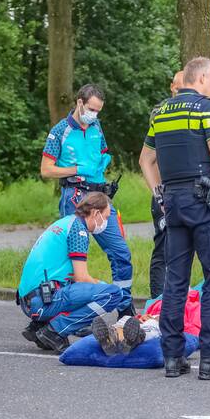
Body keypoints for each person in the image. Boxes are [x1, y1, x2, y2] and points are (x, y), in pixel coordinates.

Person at [138, 57, 210, 380]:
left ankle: (173, 356)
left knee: (175, 279)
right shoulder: (205, 109)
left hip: (173, 203)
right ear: (200, 79)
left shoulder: (161, 112)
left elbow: (145, 159)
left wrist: (159, 193)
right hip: (204, 202)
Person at [40, 84, 134, 314]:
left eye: (98, 111)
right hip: (75, 196)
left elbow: (101, 152)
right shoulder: (59, 131)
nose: (94, 114)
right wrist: (76, 169)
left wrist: (102, 164)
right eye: (92, 109)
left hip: (100, 196)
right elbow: (46, 170)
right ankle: (67, 312)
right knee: (73, 259)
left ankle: (124, 309)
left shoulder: (96, 126)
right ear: (79, 102)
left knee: (120, 252)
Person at [18, 192, 125, 354]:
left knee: (86, 288)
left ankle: (39, 327)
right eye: (106, 217)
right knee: (113, 294)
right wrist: (102, 285)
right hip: (42, 300)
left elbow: (72, 276)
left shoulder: (66, 222)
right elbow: (82, 277)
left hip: (30, 299)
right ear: (95, 213)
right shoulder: (79, 231)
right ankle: (55, 330)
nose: (106, 222)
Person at [148, 70, 185, 300]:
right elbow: (148, 158)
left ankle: (176, 300)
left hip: (184, 190)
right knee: (163, 248)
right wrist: (158, 193)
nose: (181, 92)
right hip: (164, 190)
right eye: (178, 88)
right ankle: (156, 301)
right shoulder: (160, 112)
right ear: (172, 87)